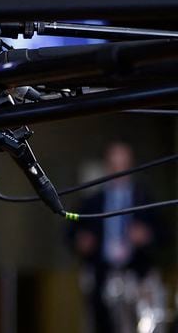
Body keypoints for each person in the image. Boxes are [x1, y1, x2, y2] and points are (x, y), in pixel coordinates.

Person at [69, 141, 162, 333]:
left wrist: (146, 235)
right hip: (102, 277)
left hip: (138, 277)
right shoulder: (91, 201)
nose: (118, 171)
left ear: (131, 166)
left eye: (123, 165)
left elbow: (164, 234)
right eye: (114, 165)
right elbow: (70, 233)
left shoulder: (144, 198)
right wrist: (81, 241)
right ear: (107, 167)